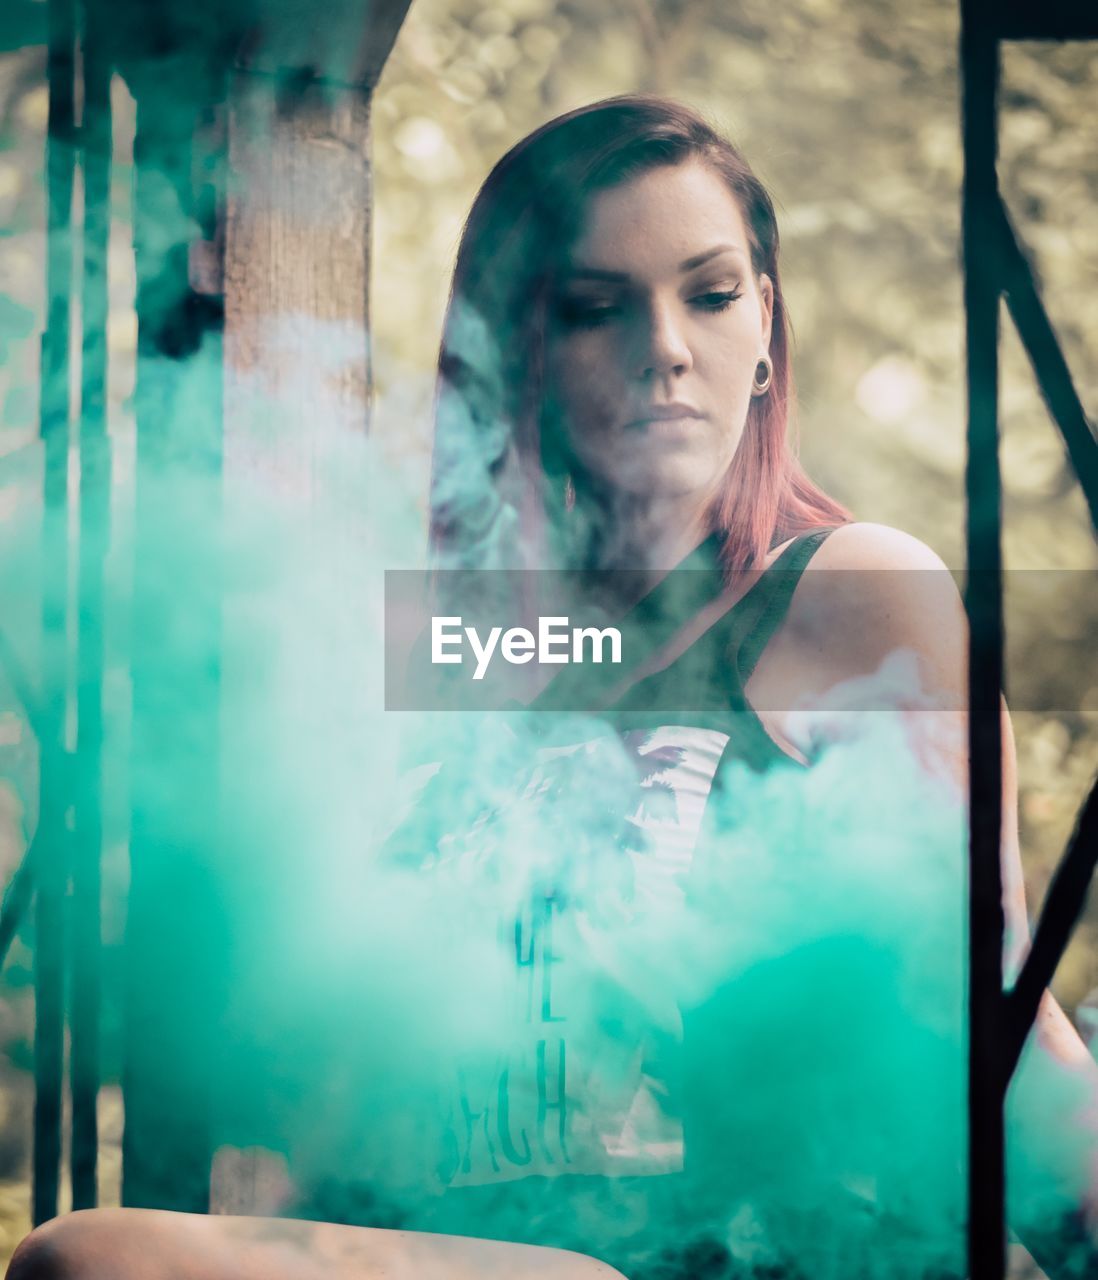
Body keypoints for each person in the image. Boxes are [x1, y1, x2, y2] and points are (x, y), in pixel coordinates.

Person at [9, 95, 1098, 1280]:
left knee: (95, 1258)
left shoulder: (855, 593)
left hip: (723, 1255)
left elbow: (995, 1007)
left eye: (713, 293)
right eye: (593, 307)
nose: (666, 346)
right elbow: (359, 1126)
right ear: (515, 351)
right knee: (90, 1257)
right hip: (468, 1248)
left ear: (768, 326)